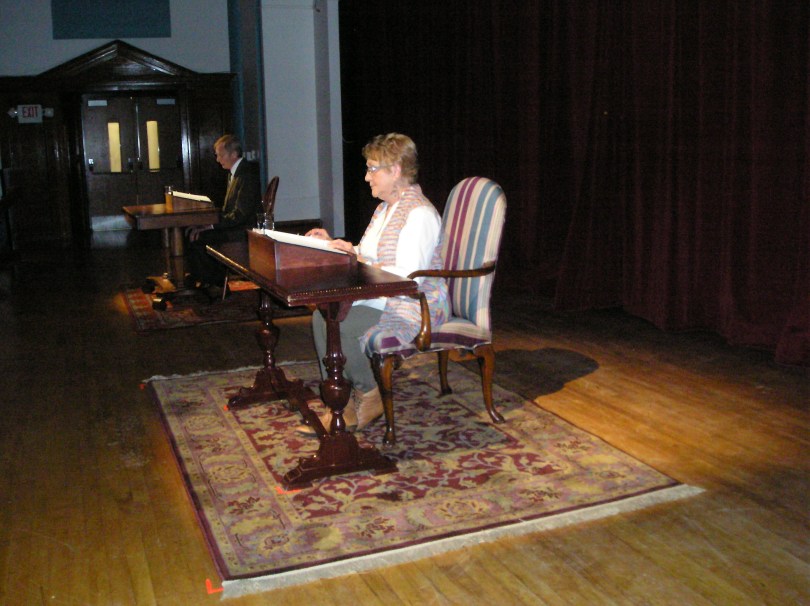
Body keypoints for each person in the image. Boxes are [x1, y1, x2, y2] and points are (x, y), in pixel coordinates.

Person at [298, 133, 450, 435]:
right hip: (381, 295)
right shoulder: (385, 209)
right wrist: (338, 246)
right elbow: (369, 253)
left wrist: (360, 261)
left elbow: (408, 276)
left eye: (372, 169)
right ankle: (340, 405)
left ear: (395, 170)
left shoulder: (419, 214)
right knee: (321, 317)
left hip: (413, 303)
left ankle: (370, 393)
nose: (367, 177)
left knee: (342, 325)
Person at [185, 134, 262, 298]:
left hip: (244, 230)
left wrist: (211, 225)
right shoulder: (235, 173)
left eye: (220, 155)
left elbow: (240, 215)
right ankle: (204, 278)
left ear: (233, 154)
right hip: (236, 226)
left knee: (200, 237)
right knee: (191, 231)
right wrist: (207, 222)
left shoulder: (246, 175)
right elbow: (229, 210)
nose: (218, 159)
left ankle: (214, 282)